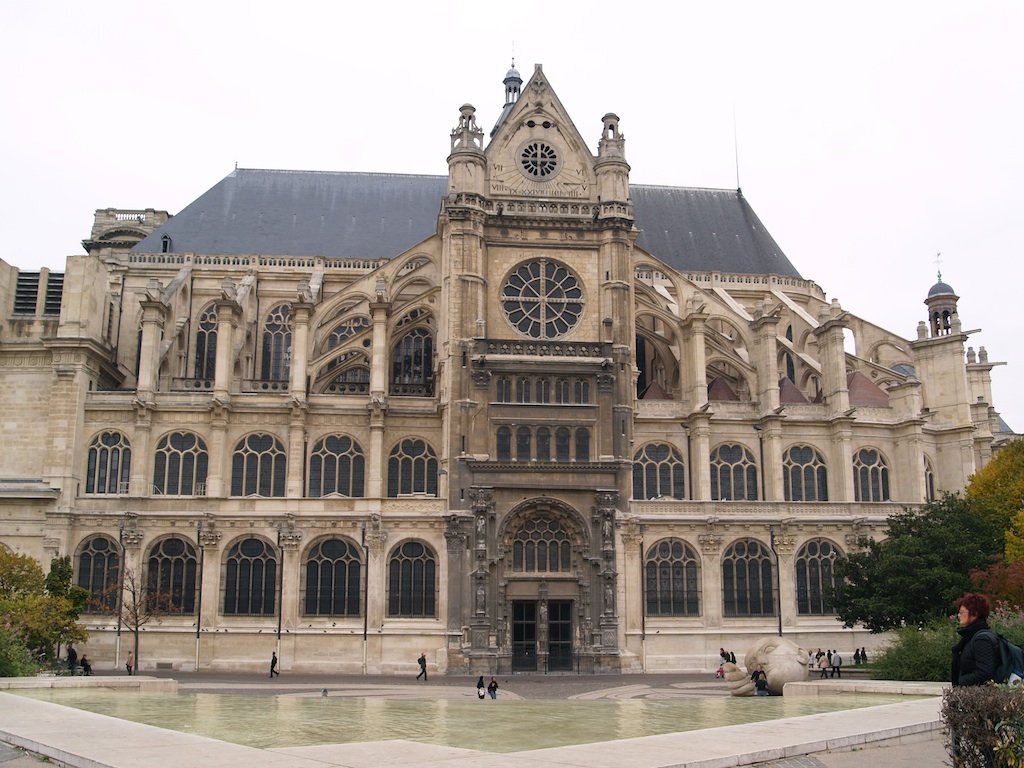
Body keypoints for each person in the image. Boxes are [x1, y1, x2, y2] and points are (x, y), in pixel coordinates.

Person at [951, 592, 998, 686]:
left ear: (974, 614)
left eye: (962, 612)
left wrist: (961, 681)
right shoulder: (970, 637)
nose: (959, 615)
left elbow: (985, 673)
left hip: (980, 693)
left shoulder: (982, 640)